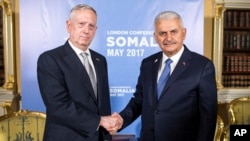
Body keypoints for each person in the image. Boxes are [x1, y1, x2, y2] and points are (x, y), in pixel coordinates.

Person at [112, 11, 218, 141]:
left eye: (174, 32)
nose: (168, 38)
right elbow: (139, 100)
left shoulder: (202, 66)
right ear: (155, 36)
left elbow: (208, 117)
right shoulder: (148, 63)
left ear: (184, 33)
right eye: (162, 33)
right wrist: (122, 119)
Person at [37, 4, 118, 141]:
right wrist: (99, 121)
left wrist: (109, 125)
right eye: (81, 24)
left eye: (91, 26)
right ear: (69, 26)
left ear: (95, 30)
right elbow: (58, 105)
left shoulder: (100, 60)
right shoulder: (50, 59)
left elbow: (102, 105)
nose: (86, 30)